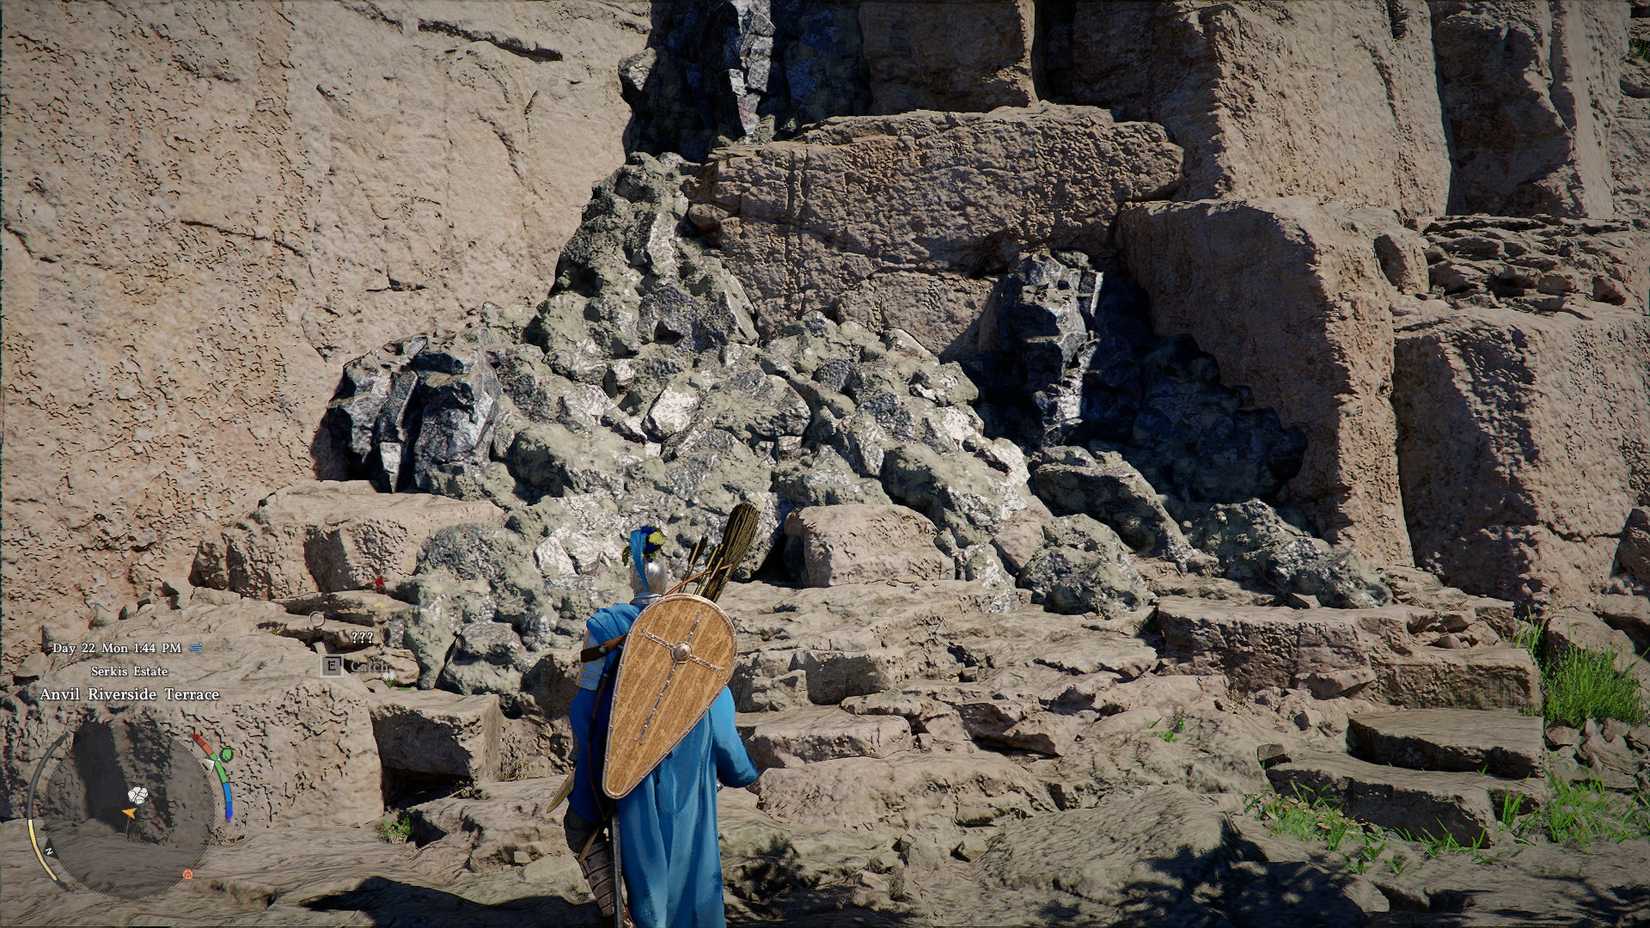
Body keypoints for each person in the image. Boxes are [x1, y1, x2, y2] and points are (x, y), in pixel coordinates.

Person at [565, 526, 761, 928]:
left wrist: (588, 759)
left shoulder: (605, 626)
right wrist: (739, 768)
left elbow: (587, 706)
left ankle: (626, 918)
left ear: (631, 578)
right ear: (667, 576)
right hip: (693, 766)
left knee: (582, 829)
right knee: (694, 857)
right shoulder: (692, 626)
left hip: (628, 759)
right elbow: (717, 706)